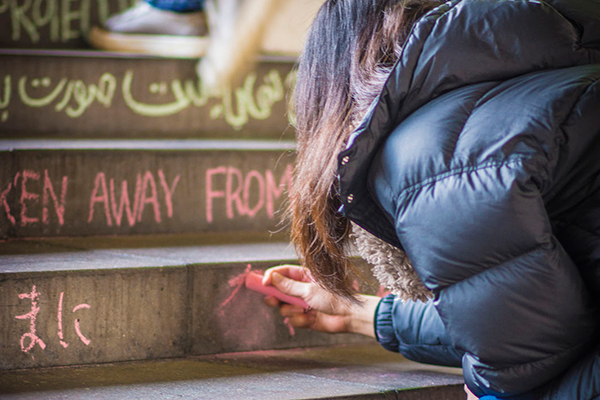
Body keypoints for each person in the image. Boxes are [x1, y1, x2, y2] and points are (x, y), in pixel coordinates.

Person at [260, 0, 600, 399]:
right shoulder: (534, 91)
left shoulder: (427, 157)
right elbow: (521, 313)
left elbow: (530, 355)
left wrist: (488, 389)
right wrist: (365, 315)